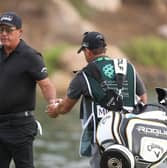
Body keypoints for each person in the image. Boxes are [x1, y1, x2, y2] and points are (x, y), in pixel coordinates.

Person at [47, 31, 147, 168]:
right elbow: (143, 100)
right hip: (132, 139)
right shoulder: (128, 68)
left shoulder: (83, 76)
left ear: (87, 51)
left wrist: (55, 110)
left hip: (103, 140)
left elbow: (65, 107)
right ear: (104, 49)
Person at [0, 12, 56, 168]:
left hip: (21, 127)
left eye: (8, 30)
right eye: (1, 29)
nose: (4, 34)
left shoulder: (30, 56)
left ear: (20, 32)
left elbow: (46, 84)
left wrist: (52, 102)